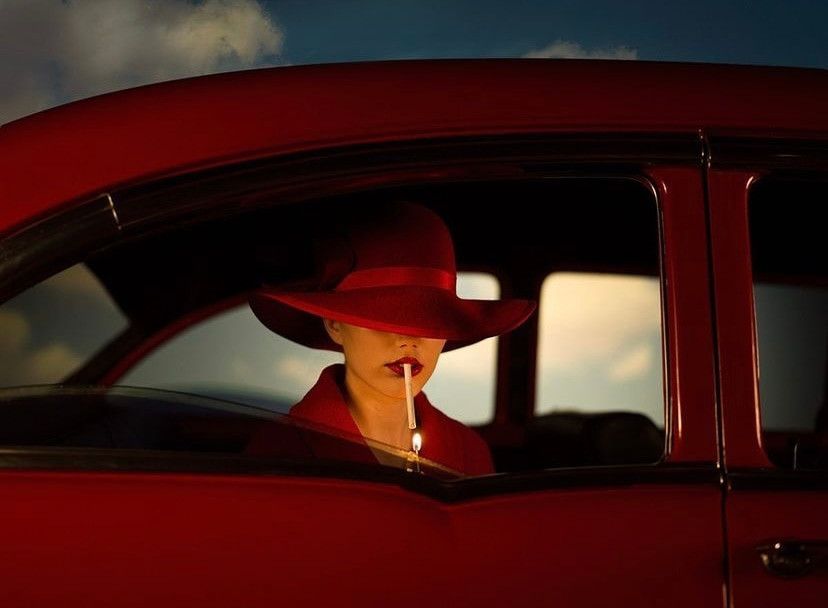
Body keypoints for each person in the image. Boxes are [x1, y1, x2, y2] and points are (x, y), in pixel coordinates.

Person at [246, 201, 536, 476]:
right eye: (383, 318)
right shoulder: (280, 451)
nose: (408, 339)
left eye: (428, 319)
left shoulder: (470, 451)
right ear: (334, 325)